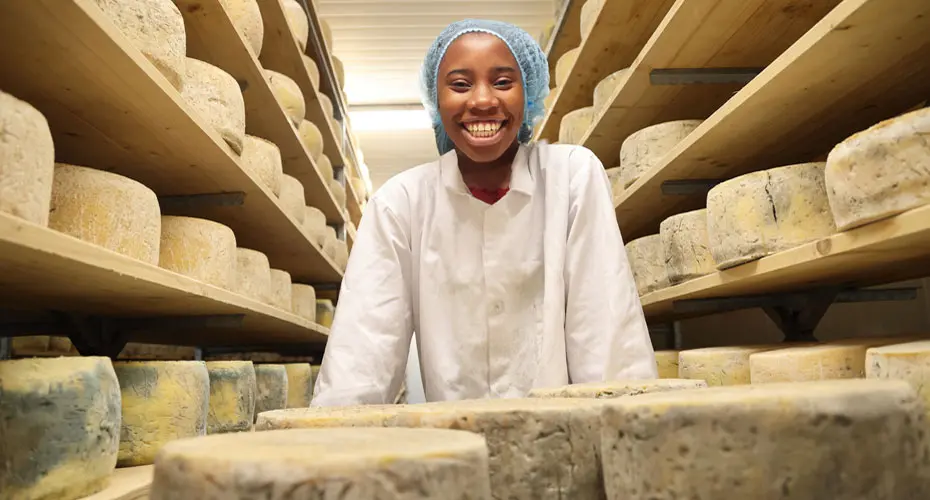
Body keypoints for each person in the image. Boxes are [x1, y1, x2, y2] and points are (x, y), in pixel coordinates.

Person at [311, 19, 657, 407]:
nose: (481, 100)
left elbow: (608, 339)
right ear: (435, 98)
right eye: (460, 84)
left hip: (564, 446)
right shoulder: (400, 203)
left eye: (503, 81)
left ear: (527, 92)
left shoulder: (572, 177)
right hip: (453, 450)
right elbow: (361, 357)